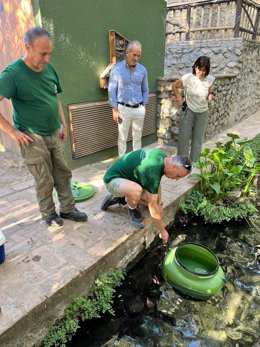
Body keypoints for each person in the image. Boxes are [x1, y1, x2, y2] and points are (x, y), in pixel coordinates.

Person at [0, 27, 87, 226]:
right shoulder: (12, 74)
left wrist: (63, 124)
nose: (47, 58)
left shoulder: (50, 68)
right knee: (44, 178)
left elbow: (54, 97)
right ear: (28, 47)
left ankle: (68, 209)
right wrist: (12, 132)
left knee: (63, 174)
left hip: (54, 132)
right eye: (42, 53)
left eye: (49, 53)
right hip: (32, 136)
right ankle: (48, 213)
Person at [100, 148, 192, 243]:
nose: (177, 179)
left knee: (149, 202)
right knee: (137, 192)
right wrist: (162, 231)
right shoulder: (153, 169)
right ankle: (132, 209)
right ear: (173, 166)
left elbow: (156, 183)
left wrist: (159, 202)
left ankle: (121, 198)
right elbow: (153, 206)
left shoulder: (163, 159)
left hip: (129, 179)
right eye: (178, 175)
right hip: (112, 180)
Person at [108, 40, 149, 157]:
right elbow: (111, 90)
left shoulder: (143, 70)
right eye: (134, 55)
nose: (136, 58)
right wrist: (114, 110)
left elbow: (145, 89)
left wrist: (143, 106)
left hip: (139, 109)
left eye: (138, 55)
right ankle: (122, 163)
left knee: (137, 138)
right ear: (127, 53)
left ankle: (136, 162)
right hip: (123, 109)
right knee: (122, 138)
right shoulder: (117, 69)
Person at [172, 56, 216, 162]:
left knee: (198, 139)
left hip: (202, 112)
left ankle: (194, 162)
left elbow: (210, 93)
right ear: (196, 67)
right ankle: (181, 163)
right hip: (188, 110)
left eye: (204, 71)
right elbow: (174, 86)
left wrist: (211, 96)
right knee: (184, 138)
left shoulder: (209, 79)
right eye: (200, 69)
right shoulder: (187, 78)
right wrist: (179, 99)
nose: (201, 73)